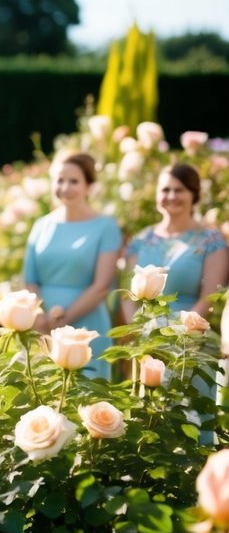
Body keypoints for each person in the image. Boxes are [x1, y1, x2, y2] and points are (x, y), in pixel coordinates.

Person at [22, 151, 121, 379]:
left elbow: (102, 286)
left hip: (87, 326)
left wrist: (63, 323)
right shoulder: (40, 225)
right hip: (41, 327)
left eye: (74, 181)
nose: (65, 187)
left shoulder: (106, 227)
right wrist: (39, 317)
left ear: (89, 185)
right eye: (60, 180)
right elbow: (30, 279)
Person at [123, 163, 227, 319]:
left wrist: (178, 331)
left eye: (179, 190)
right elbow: (127, 296)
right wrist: (138, 331)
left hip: (189, 335)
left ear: (194, 195)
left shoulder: (211, 241)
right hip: (144, 335)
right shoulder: (140, 240)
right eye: (165, 190)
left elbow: (209, 297)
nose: (171, 196)